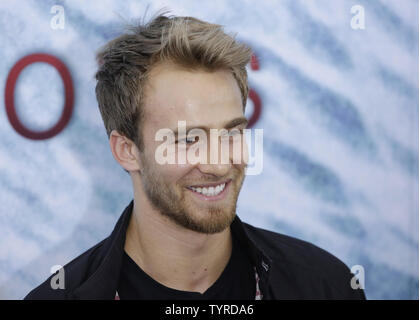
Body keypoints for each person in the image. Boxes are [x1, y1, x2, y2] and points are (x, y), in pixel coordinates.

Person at [25, 12, 366, 300]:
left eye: (231, 133)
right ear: (127, 151)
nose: (218, 164)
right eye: (189, 139)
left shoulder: (324, 286)